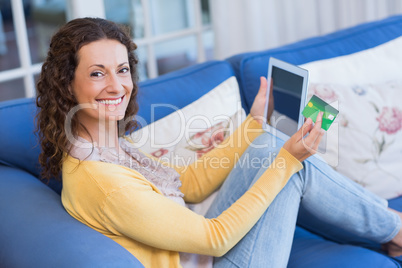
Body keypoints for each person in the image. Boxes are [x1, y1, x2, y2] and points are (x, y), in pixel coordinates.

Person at [36, 17, 402, 268]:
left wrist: (253, 124)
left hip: (206, 253)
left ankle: (392, 230)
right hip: (217, 256)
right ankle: (395, 229)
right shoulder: (104, 181)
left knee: (270, 141)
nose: (117, 86)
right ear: (66, 84)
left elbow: (189, 186)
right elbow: (215, 239)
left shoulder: (106, 144)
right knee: (288, 162)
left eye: (122, 70)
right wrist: (288, 161)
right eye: (97, 74)